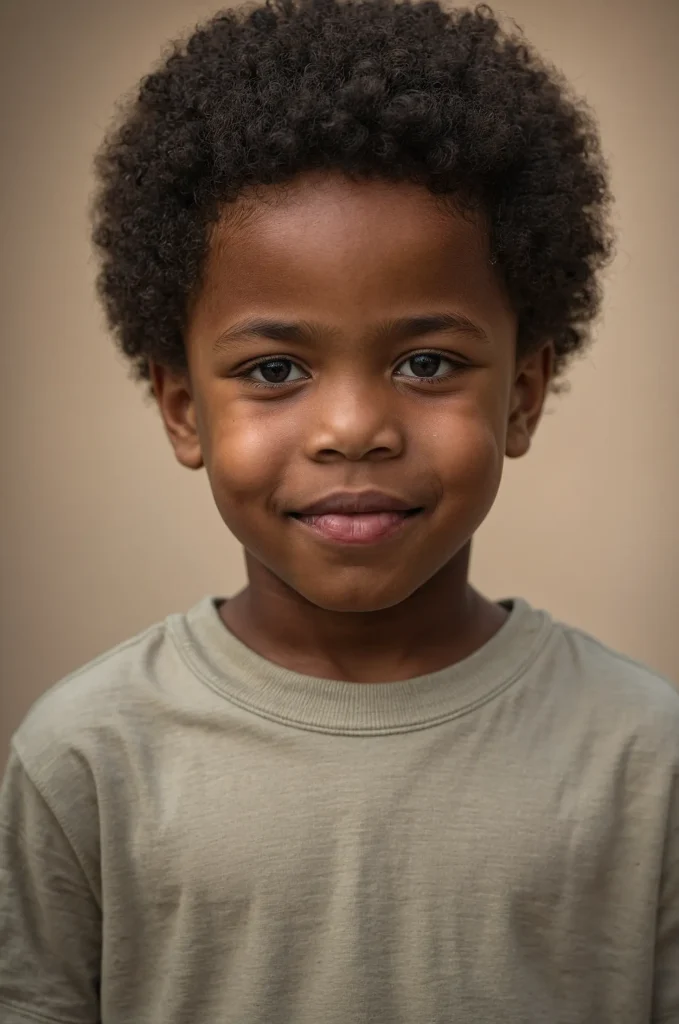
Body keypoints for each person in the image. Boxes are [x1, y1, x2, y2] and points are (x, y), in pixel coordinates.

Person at [1, 0, 677, 1020]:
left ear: (523, 394)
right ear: (182, 408)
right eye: (275, 369)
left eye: (426, 363)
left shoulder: (644, 756)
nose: (354, 428)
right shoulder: (85, 758)